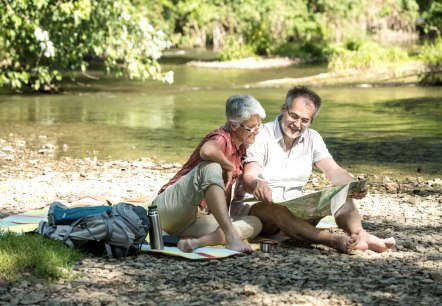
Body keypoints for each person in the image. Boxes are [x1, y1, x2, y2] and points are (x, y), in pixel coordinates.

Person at [230, 86, 396, 253]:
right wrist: (257, 183)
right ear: (283, 109)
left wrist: (353, 185)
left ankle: (360, 235)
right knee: (277, 209)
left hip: (296, 209)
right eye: (293, 116)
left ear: (311, 121)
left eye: (304, 120)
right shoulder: (261, 134)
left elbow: (334, 171)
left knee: (340, 192)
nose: (297, 124)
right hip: (258, 210)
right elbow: (249, 177)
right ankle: (333, 241)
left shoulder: (313, 137)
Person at [152, 94, 266, 253]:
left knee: (255, 222)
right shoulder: (221, 138)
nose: (257, 131)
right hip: (167, 211)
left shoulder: (240, 148)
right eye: (252, 127)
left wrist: (223, 222)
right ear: (234, 125)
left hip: (192, 221)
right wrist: (228, 166)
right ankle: (232, 237)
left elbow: (224, 191)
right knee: (211, 167)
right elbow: (207, 150)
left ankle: (196, 242)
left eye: (259, 125)